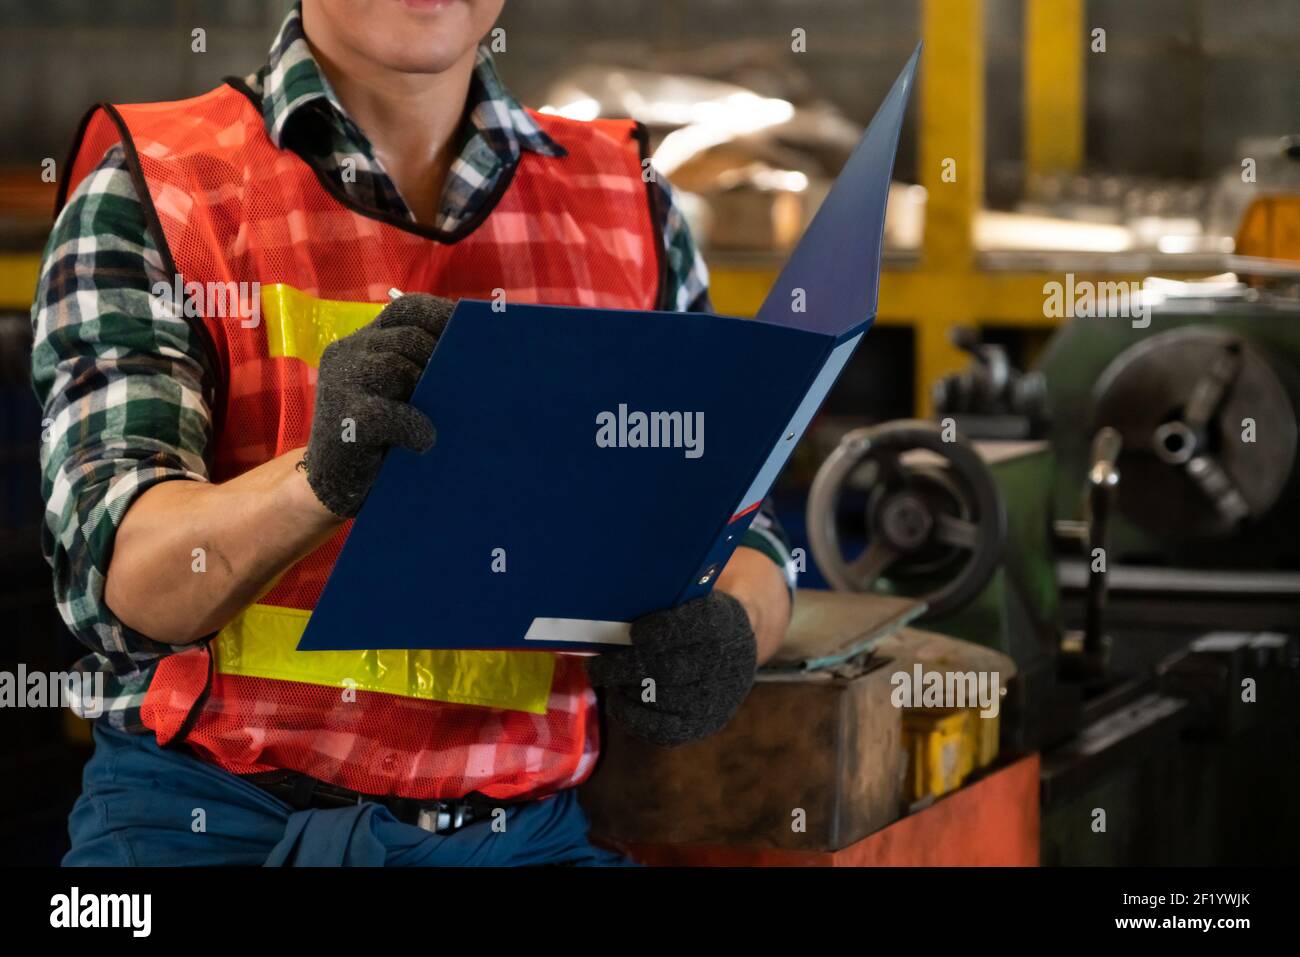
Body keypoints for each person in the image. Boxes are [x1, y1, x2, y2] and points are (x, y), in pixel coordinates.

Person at [33, 0, 796, 866]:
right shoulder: (161, 187)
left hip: (527, 844)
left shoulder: (627, 202)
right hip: (215, 827)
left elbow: (742, 528)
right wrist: (312, 483)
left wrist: (736, 621)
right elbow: (121, 580)